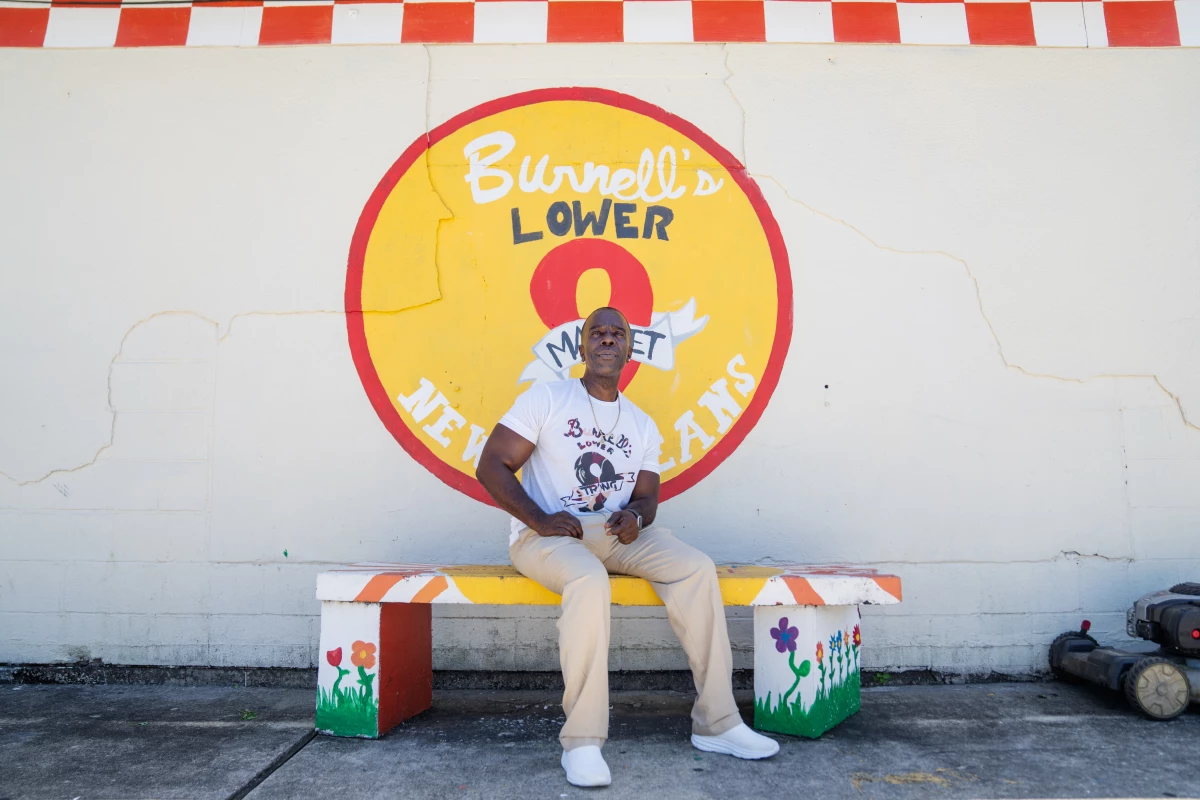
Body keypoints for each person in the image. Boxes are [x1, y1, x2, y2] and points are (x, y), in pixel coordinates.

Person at [476, 306, 779, 788]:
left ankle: (718, 723)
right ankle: (583, 742)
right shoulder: (547, 399)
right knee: (588, 580)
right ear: (581, 346)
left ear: (630, 350)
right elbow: (491, 465)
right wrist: (539, 518)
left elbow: (647, 496)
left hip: (614, 536)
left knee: (696, 568)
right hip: (546, 535)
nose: (608, 339)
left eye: (618, 333)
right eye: (598, 332)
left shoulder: (641, 424)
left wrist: (636, 517)